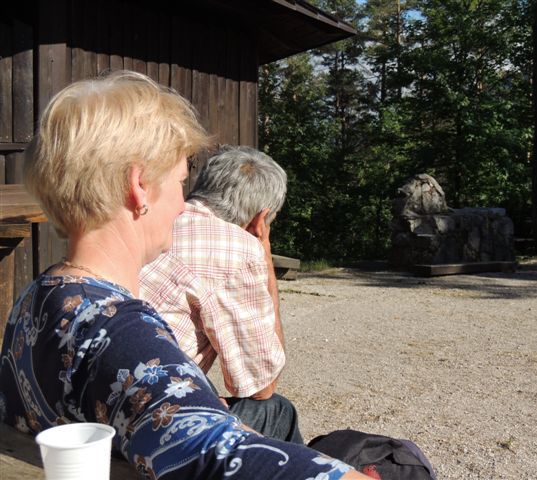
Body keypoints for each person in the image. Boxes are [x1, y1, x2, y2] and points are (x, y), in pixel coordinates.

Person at [0, 70, 369, 480]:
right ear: (139, 186)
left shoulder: (35, 296)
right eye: (179, 182)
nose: (182, 205)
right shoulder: (123, 333)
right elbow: (215, 456)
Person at [139, 146, 302, 443]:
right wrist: (264, 259)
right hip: (148, 423)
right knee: (276, 410)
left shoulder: (154, 218)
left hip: (97, 405)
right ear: (260, 220)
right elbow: (260, 384)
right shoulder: (237, 249)